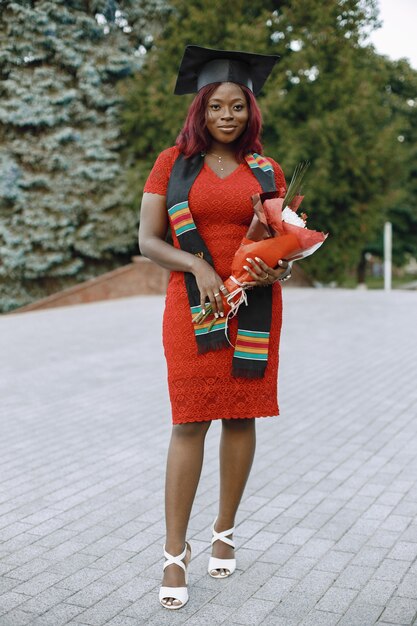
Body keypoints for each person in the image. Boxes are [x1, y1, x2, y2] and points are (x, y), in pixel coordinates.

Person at [138, 45, 292, 610]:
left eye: (237, 106)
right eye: (215, 107)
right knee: (189, 422)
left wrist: (282, 264)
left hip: (252, 305)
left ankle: (224, 530)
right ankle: (174, 554)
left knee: (241, 414)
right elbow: (149, 240)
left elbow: (280, 237)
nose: (227, 116)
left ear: (250, 112)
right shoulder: (171, 162)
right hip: (192, 305)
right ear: (199, 111)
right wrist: (198, 264)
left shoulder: (266, 169)